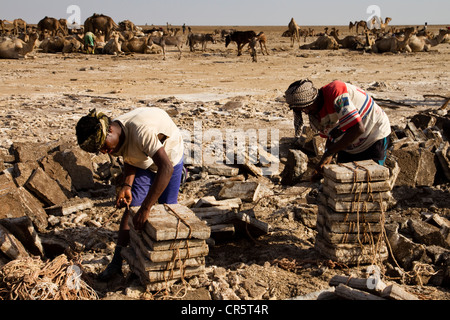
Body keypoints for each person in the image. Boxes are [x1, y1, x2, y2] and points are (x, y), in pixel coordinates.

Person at [75, 107, 185, 281]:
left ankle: (166, 268)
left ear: (110, 130)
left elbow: (166, 167)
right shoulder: (116, 134)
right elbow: (129, 154)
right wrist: (127, 185)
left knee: (167, 208)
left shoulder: (142, 131)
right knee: (131, 208)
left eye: (103, 146)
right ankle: (116, 264)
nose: (104, 152)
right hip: (144, 160)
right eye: (100, 150)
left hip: (169, 158)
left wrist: (146, 208)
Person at [284, 79, 391, 181]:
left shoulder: (336, 92)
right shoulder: (315, 116)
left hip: (374, 135)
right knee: (344, 180)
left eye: (306, 107)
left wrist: (330, 152)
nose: (305, 112)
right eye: (301, 110)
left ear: (314, 98)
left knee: (373, 179)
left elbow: (358, 128)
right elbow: (332, 137)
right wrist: (324, 163)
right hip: (349, 144)